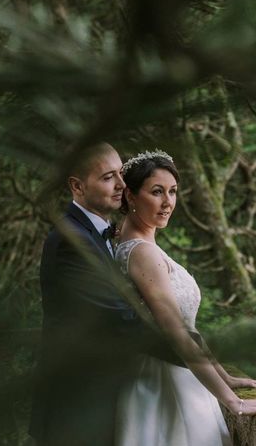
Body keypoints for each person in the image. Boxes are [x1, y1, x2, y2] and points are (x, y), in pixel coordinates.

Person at [114, 149, 256, 446]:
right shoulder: (142, 253)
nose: (168, 202)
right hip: (166, 381)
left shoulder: (133, 245)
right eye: (156, 192)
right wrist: (234, 401)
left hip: (179, 374)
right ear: (131, 196)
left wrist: (225, 376)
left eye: (172, 192)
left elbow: (189, 328)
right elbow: (176, 332)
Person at [29, 143, 181, 446]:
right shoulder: (72, 241)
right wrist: (201, 360)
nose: (122, 185)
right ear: (77, 186)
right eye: (109, 177)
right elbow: (122, 320)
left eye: (121, 175)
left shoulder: (102, 235)